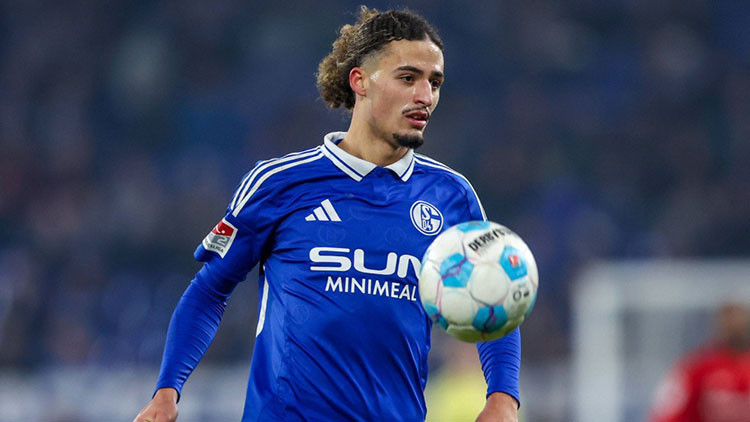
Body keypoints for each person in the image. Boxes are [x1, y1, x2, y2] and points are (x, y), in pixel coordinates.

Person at [135, 7, 521, 422]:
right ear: (360, 81)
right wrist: (167, 390)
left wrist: (503, 398)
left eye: (435, 82)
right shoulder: (279, 182)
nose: (425, 96)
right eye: (408, 78)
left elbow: (495, 298)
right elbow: (210, 290)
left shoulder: (452, 196)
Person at [649, 302, 750, 422]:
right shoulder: (696, 368)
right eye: (730, 320)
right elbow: (667, 414)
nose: (736, 327)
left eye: (740, 319)